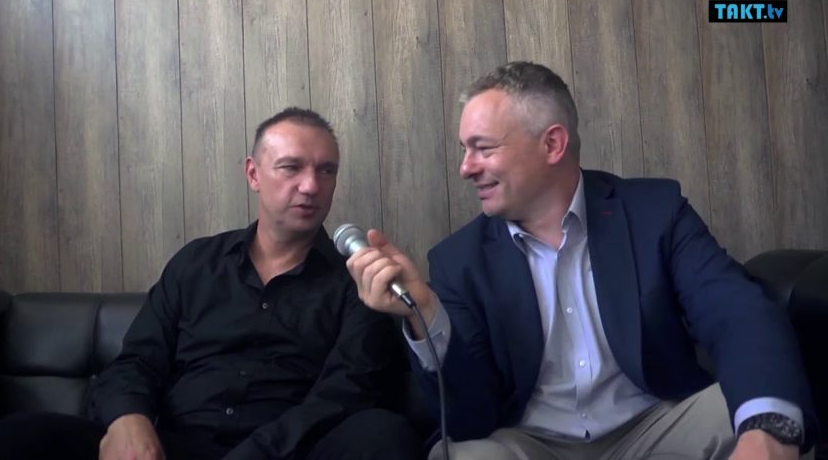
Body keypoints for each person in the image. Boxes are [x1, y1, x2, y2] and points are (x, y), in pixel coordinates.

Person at [346, 62, 816, 460]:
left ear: (552, 144)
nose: (466, 167)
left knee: (767, 414)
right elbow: (471, 417)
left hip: (655, 425)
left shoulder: (654, 213)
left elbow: (736, 312)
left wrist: (767, 431)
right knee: (463, 455)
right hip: (532, 442)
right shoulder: (458, 261)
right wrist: (425, 316)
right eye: (464, 150)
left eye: (483, 148)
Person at [0, 107, 420, 460]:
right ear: (253, 174)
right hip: (175, 447)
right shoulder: (197, 264)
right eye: (291, 167)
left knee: (382, 434)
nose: (311, 186)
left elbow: (346, 393)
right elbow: (136, 362)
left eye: (326, 171)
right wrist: (127, 420)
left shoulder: (359, 279)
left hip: (290, 451)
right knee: (19, 436)